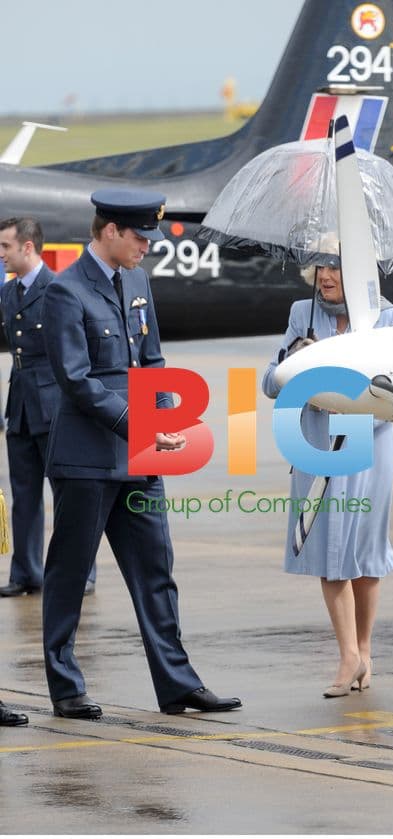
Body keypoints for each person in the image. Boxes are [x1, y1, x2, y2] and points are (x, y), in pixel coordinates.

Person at [40, 187, 241, 719]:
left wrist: (167, 419)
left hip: (141, 456)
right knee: (69, 573)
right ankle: (66, 687)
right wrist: (137, 424)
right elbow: (77, 380)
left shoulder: (135, 280)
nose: (147, 246)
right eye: (139, 236)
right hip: (87, 459)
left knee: (156, 570)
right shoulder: (66, 292)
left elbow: (152, 361)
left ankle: (177, 684)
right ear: (109, 231)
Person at [262, 236, 393, 697]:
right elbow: (270, 381)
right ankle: (346, 655)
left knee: (363, 556)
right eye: (321, 266)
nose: (325, 275)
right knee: (328, 552)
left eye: (337, 267)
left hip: (368, 444)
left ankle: (365, 652)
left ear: (360, 272)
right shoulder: (301, 314)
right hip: (317, 446)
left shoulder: (388, 319)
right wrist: (293, 359)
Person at [0, 217, 96, 597]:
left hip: (54, 405)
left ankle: (80, 573)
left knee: (69, 496)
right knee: (23, 495)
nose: (1, 254)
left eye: (6, 246)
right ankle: (26, 573)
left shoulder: (58, 289)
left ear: (27, 247)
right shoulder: (9, 292)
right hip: (21, 404)